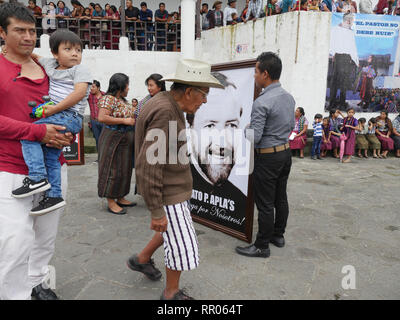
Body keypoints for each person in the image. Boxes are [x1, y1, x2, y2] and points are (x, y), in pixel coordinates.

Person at [129, 59, 223, 300]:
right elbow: (149, 165)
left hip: (172, 190)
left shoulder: (165, 104)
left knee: (174, 231)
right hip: (167, 193)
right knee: (183, 245)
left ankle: (141, 259)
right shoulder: (165, 111)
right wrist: (157, 211)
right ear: (189, 91)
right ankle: (171, 294)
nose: (205, 101)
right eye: (204, 95)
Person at [0, 2, 74, 300]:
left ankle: (36, 283)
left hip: (54, 165)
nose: (28, 36)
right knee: (15, 242)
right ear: (2, 32)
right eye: (19, 30)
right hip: (10, 169)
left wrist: (65, 133)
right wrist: (38, 132)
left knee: (45, 237)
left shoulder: (48, 67)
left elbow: (67, 105)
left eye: (32, 30)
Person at [12, 29, 91, 216]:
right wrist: (7, 48)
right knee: (51, 155)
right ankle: (54, 195)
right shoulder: (50, 64)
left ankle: (37, 177)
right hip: (60, 116)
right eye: (68, 49)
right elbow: (34, 55)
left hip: (69, 115)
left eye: (78, 50)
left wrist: (55, 109)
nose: (74, 53)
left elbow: (79, 93)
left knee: (29, 134)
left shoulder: (80, 69)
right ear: (55, 53)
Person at [236, 52, 295, 259]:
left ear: (266, 74)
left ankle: (261, 245)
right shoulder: (288, 97)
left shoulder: (262, 102)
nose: (254, 76)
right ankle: (278, 236)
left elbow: (255, 137)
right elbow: (291, 126)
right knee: (281, 197)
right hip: (285, 153)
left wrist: (245, 129)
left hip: (268, 157)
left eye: (256, 72)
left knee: (265, 203)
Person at [186, 71, 246, 229]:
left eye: (231, 125)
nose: (222, 143)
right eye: (210, 126)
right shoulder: (175, 188)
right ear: (190, 130)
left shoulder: (240, 201)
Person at [97, 73, 137, 215]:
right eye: (127, 84)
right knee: (112, 169)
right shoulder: (108, 99)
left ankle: (120, 196)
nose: (128, 87)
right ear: (120, 86)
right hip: (112, 138)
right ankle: (111, 200)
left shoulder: (122, 100)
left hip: (125, 140)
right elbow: (102, 117)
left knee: (124, 169)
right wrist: (124, 121)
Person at [329, 12, 358, 110]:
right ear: (348, 20)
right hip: (340, 57)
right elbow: (332, 44)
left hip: (344, 58)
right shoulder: (336, 29)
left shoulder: (348, 31)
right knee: (337, 81)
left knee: (342, 82)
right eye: (352, 20)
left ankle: (340, 103)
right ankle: (334, 103)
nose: (352, 22)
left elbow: (352, 47)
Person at [88, 80, 105, 154]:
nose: (91, 88)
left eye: (93, 87)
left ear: (98, 88)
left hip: (104, 121)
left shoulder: (105, 96)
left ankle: (106, 156)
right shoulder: (89, 96)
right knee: (97, 139)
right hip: (94, 121)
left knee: (105, 139)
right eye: (90, 87)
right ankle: (100, 157)